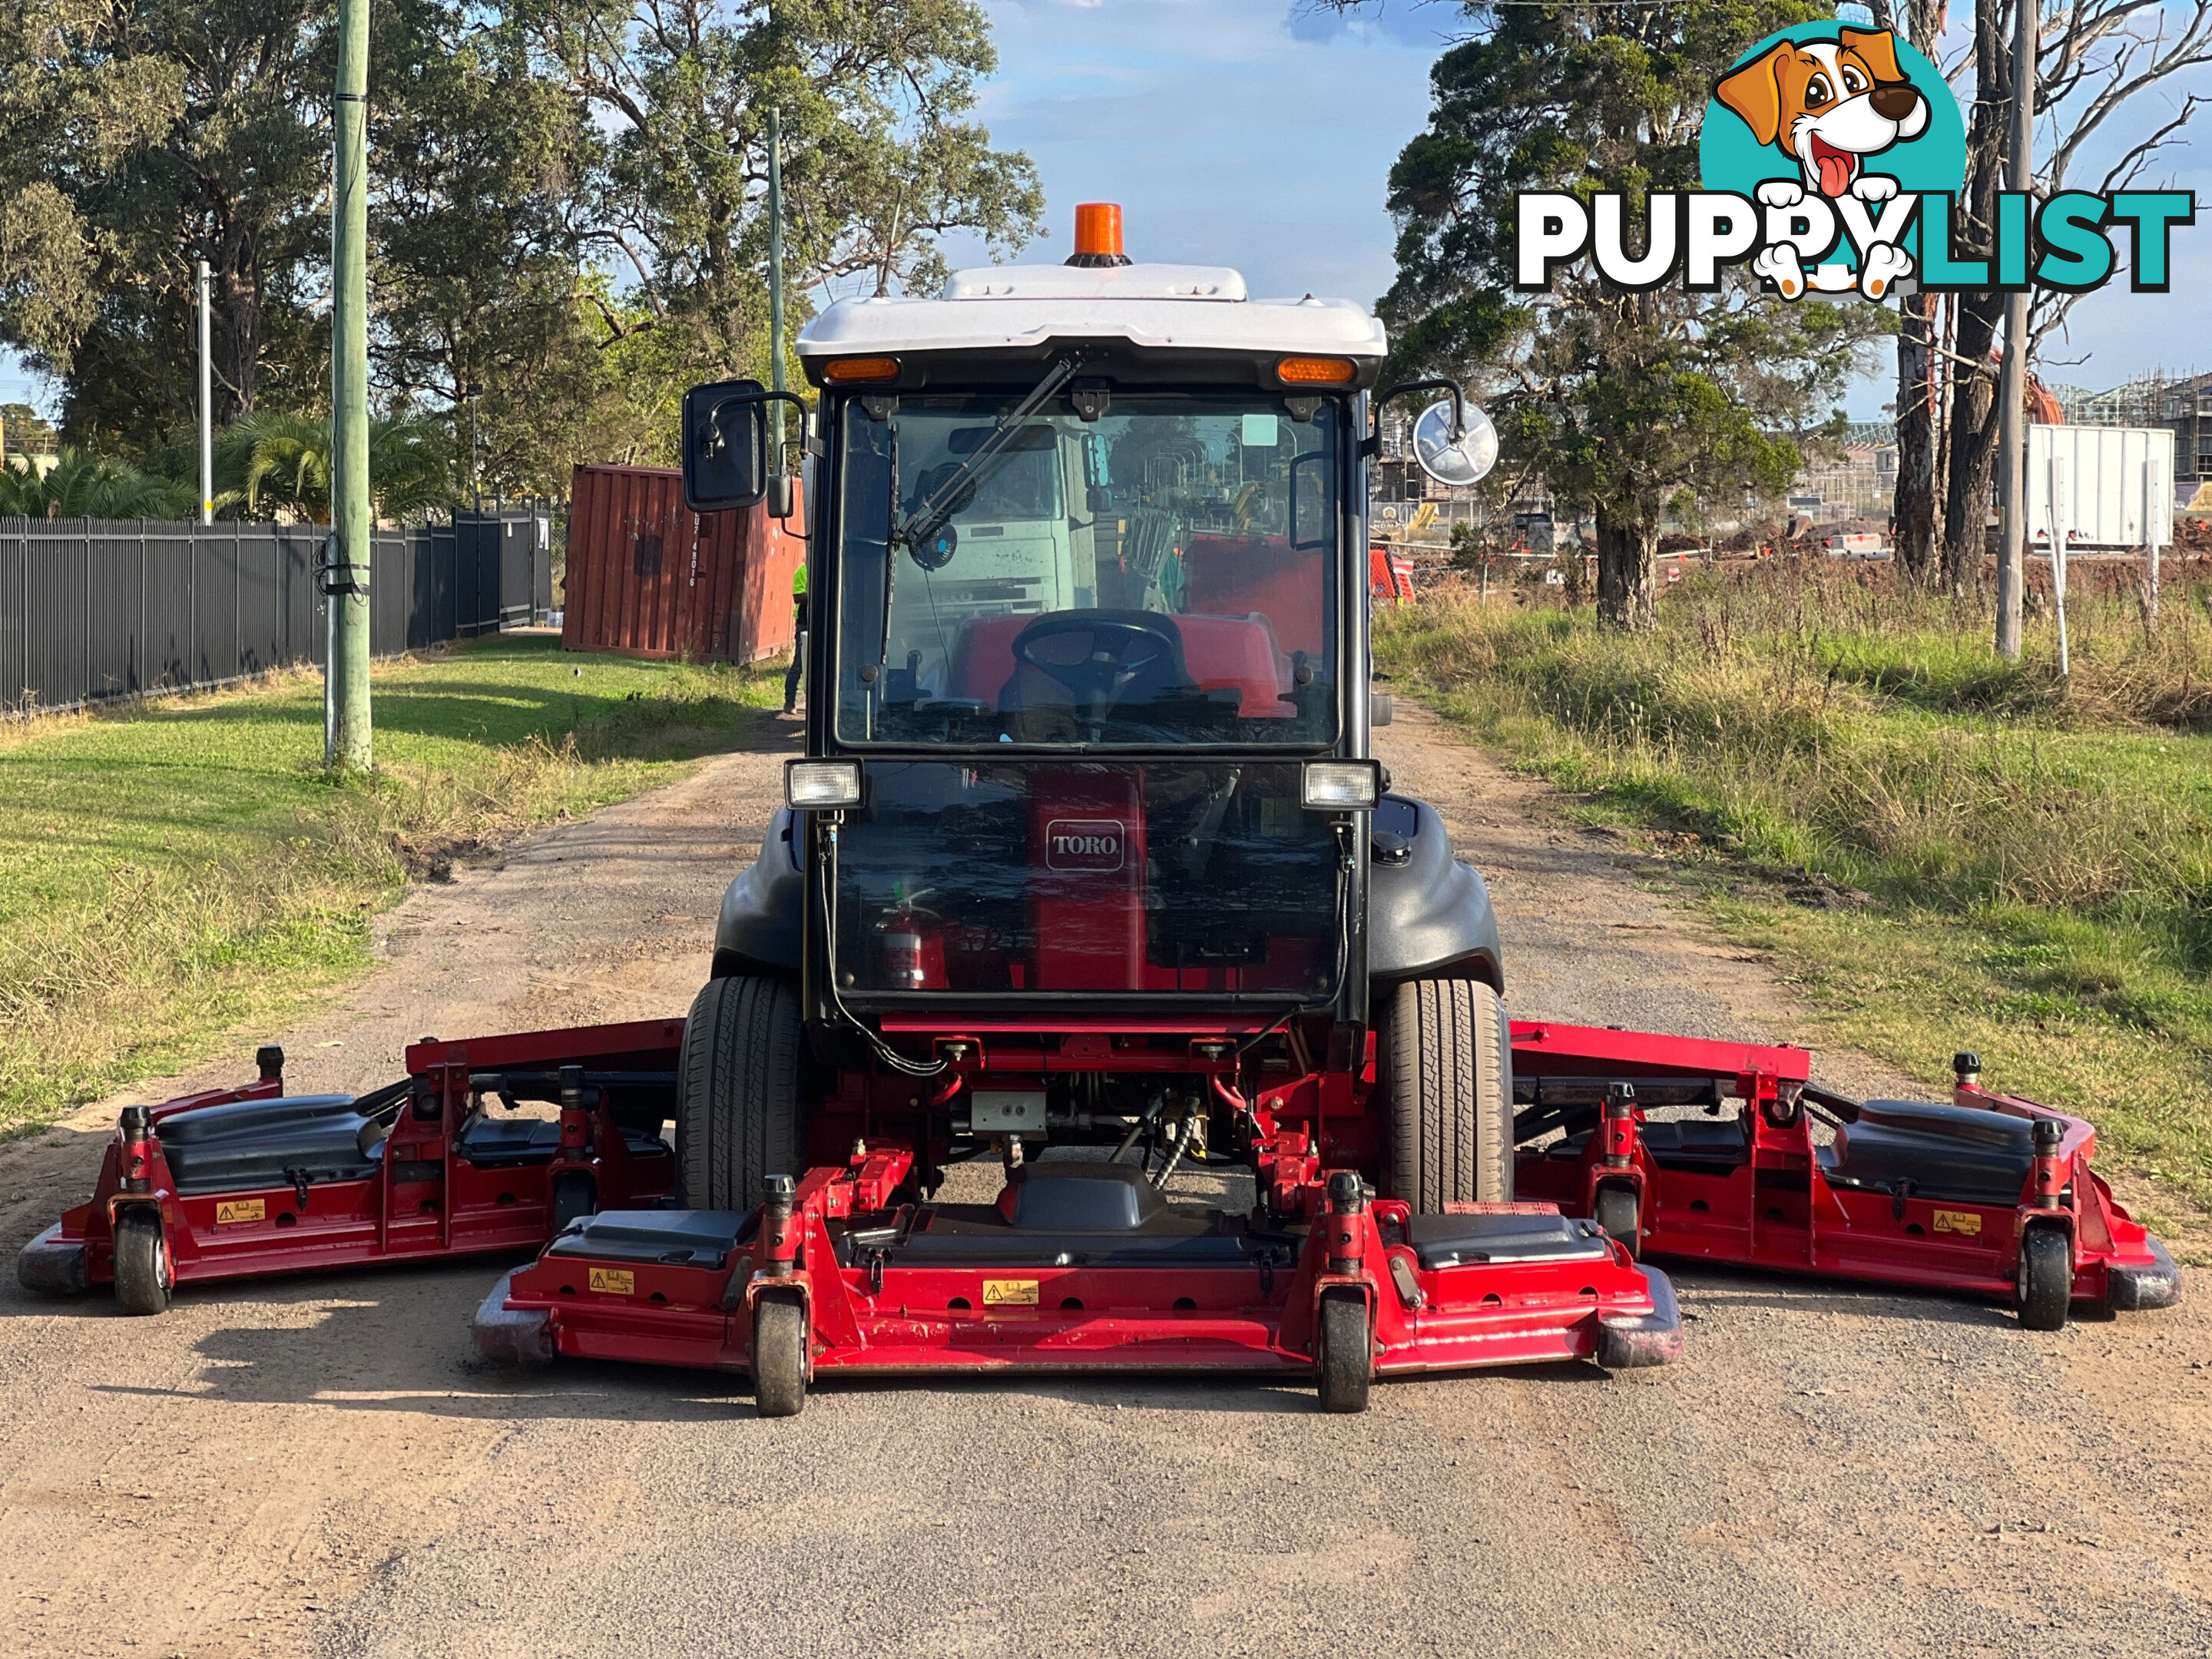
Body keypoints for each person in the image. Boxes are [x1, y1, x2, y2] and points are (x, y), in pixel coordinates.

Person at [783, 561, 808, 714]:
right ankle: (790, 701)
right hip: (805, 624)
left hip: (824, 623)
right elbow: (797, 596)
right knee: (798, 665)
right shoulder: (803, 571)